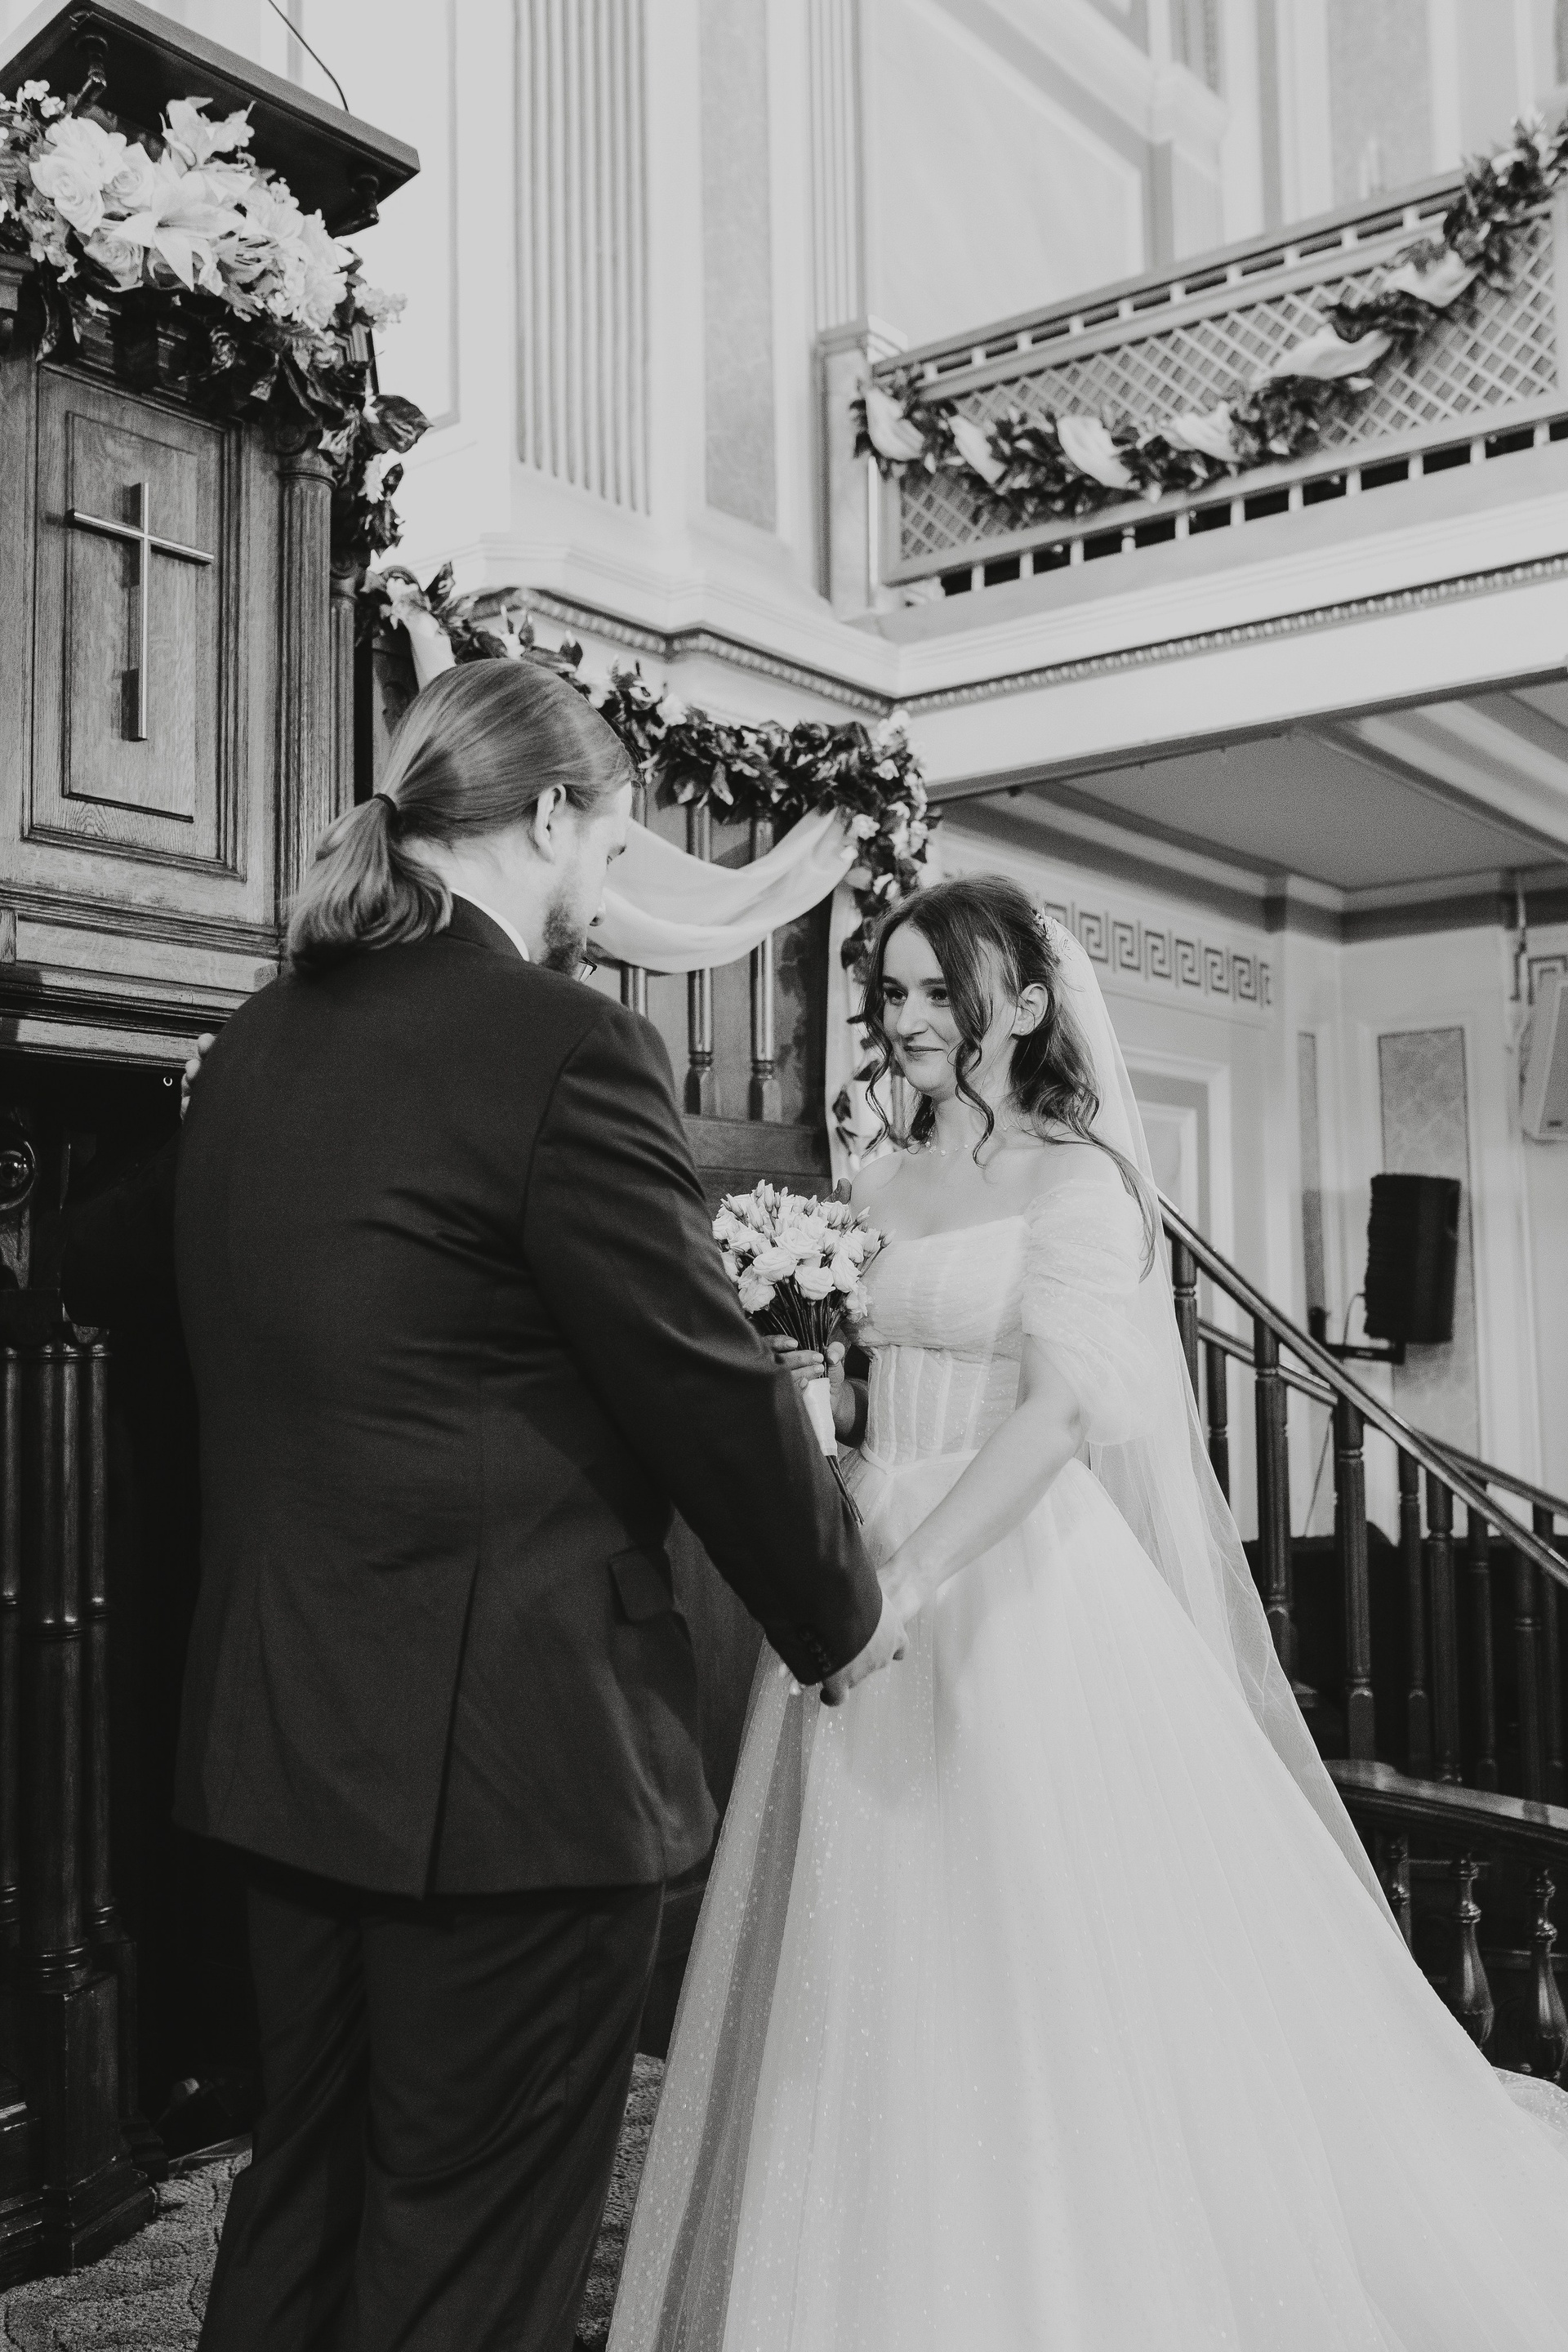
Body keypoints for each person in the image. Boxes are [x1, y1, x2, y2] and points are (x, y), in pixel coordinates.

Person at [611, 874, 1568, 2352]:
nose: (907, 1019)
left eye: (939, 991)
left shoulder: (1082, 1184)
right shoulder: (877, 1170)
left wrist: (911, 1578)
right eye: (892, 992)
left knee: (1029, 1943)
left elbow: (1059, 1414)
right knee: (868, 1942)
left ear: (1022, 1004)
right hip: (862, 1547)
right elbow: (861, 1391)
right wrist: (815, 1411)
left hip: (1010, 1585)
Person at [173, 661, 902, 2352]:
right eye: (615, 844)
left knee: (303, 2208)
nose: (607, 888)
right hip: (512, 1772)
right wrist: (840, 1613)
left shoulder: (256, 1040)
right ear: (554, 815)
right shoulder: (562, 1043)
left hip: (283, 1743)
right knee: (470, 2264)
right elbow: (701, 1377)